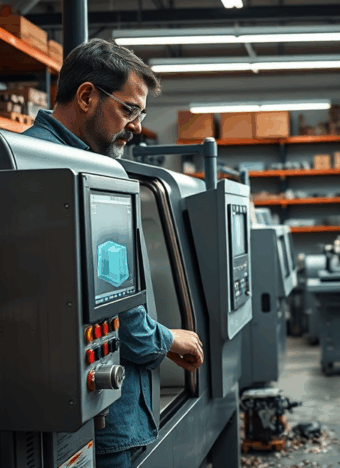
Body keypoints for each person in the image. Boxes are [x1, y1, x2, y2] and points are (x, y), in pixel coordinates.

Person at [22, 38, 204, 467]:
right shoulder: (81, 172)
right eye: (129, 110)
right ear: (87, 96)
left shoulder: (34, 156)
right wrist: (169, 338)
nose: (137, 126)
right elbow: (113, 304)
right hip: (102, 419)